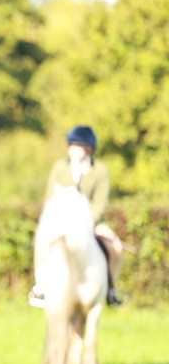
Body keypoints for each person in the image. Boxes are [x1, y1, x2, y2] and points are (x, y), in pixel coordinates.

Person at [29, 125, 125, 308]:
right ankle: (40, 287)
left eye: (78, 146)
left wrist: (87, 222)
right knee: (41, 242)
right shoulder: (60, 167)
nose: (73, 149)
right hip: (61, 221)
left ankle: (111, 290)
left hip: (90, 222)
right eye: (71, 145)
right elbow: (49, 197)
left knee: (116, 247)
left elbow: (101, 203)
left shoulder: (100, 171)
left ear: (89, 149)